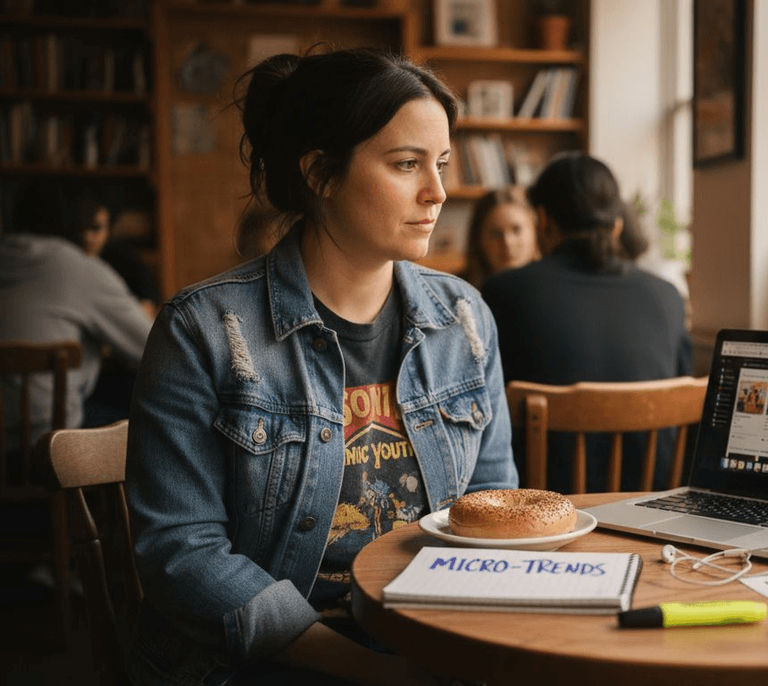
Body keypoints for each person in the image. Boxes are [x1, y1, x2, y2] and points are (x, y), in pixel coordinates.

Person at [123, 48, 517, 685]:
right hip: (257, 663)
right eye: (406, 164)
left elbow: (488, 510)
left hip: (423, 639)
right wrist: (365, 668)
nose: (438, 192)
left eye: (441, 164)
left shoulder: (464, 318)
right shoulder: (204, 331)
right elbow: (182, 554)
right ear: (320, 174)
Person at [482, 152, 692, 493]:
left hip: (543, 516)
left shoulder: (503, 292)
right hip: (650, 511)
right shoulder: (668, 297)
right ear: (617, 223)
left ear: (543, 220)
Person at [0, 183, 152, 449]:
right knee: (156, 424)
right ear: (75, 222)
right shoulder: (75, 266)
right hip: (49, 441)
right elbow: (154, 351)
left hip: (8, 440)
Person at [459, 186, 539, 289]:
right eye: (495, 234)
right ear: (478, 240)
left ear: (535, 230)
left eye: (516, 230)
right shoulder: (459, 290)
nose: (507, 242)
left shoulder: (554, 285)